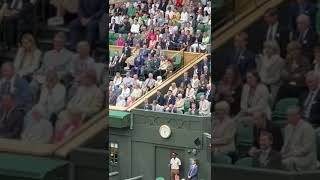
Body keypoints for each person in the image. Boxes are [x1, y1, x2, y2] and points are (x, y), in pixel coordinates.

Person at [281, 105, 318, 171]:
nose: (287, 117)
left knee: (287, 162)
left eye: (290, 115)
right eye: (287, 115)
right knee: (274, 160)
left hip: (305, 158)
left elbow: (306, 149)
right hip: (290, 155)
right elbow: (285, 145)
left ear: (297, 116)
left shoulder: (307, 128)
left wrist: (290, 154)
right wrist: (281, 154)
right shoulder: (287, 128)